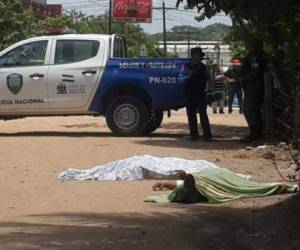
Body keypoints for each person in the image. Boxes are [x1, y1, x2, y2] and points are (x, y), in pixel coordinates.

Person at [146, 168, 299, 204]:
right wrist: (167, 183)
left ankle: (191, 189)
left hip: (214, 178)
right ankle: (190, 190)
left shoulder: (230, 174)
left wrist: (168, 183)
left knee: (195, 185)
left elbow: (241, 183)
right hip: (204, 179)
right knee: (189, 187)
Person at [239, 39, 268, 143]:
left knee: (250, 110)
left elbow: (255, 73)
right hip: (253, 87)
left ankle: (255, 133)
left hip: (254, 88)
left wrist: (243, 79)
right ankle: (256, 132)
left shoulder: (256, 57)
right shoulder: (258, 56)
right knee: (252, 110)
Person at [184, 47, 212, 141]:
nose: (199, 58)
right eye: (198, 56)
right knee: (191, 115)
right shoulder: (187, 66)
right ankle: (194, 135)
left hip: (200, 94)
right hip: (190, 94)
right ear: (193, 56)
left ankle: (207, 135)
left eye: (200, 56)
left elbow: (208, 78)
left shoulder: (203, 67)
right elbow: (184, 76)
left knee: (203, 115)